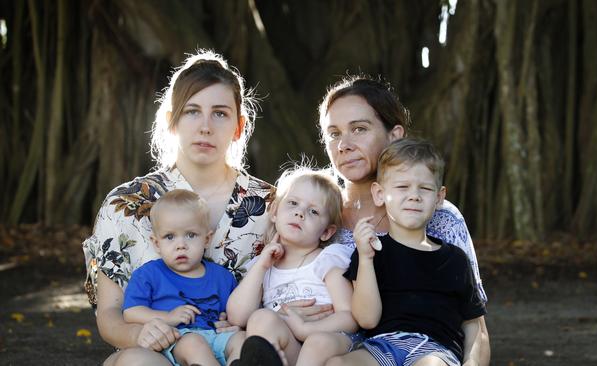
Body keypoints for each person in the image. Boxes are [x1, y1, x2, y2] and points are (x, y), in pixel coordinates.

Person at [82, 50, 274, 366]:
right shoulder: (127, 204)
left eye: (220, 114)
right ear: (172, 121)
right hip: (157, 352)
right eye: (191, 111)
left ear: (239, 126)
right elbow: (109, 314)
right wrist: (138, 335)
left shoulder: (269, 205)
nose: (205, 127)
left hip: (231, 348)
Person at [317, 76, 490, 364]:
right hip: (339, 345)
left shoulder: (440, 218)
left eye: (359, 129)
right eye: (333, 133)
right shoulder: (315, 212)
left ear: (395, 135)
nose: (344, 144)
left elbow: (473, 324)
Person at [227, 167, 359, 366]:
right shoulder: (262, 265)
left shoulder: (328, 259)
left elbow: (350, 317)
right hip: (289, 350)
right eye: (293, 203)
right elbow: (238, 317)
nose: (300, 213)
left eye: (313, 211)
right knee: (260, 319)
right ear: (274, 212)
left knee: (317, 343)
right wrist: (261, 266)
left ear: (327, 232)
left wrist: (305, 329)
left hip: (328, 340)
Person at [123, 189, 244, 366]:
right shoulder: (149, 274)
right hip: (177, 341)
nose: (181, 245)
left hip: (216, 338)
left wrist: (231, 324)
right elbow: (131, 312)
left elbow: (234, 313)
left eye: (190, 235)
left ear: (207, 239)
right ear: (157, 243)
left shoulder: (222, 277)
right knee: (194, 343)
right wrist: (168, 317)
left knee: (242, 340)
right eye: (169, 237)